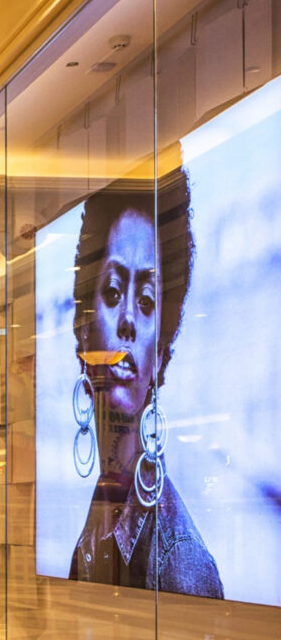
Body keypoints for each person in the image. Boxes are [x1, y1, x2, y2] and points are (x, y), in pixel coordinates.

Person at [68, 169, 223, 598]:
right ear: (84, 330)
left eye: (147, 301)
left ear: (160, 355)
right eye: (113, 292)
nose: (128, 322)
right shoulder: (102, 509)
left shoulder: (181, 559)